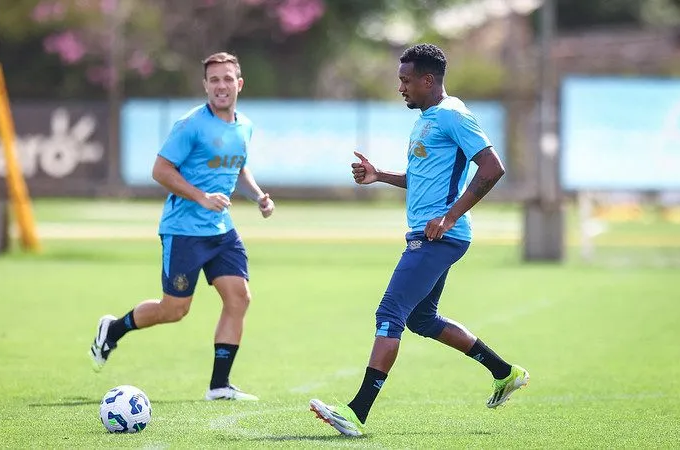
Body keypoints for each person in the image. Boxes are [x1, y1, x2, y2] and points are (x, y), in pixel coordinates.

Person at [309, 43, 529, 436]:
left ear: (428, 80)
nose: (400, 88)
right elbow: (422, 179)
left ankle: (356, 412)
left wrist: (449, 217)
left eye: (406, 80)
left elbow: (492, 167)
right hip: (430, 233)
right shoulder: (427, 118)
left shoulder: (453, 115)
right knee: (421, 319)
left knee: (389, 314)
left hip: (440, 236)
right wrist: (379, 175)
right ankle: (504, 372)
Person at [89, 51, 274, 401]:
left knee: (239, 297)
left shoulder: (244, 126)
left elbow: (238, 168)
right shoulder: (190, 125)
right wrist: (201, 196)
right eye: (214, 80)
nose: (221, 85)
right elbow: (160, 170)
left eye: (227, 79)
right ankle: (112, 329)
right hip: (184, 231)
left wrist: (259, 197)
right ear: (205, 85)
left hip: (222, 231)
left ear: (239, 84)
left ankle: (219, 385)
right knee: (174, 310)